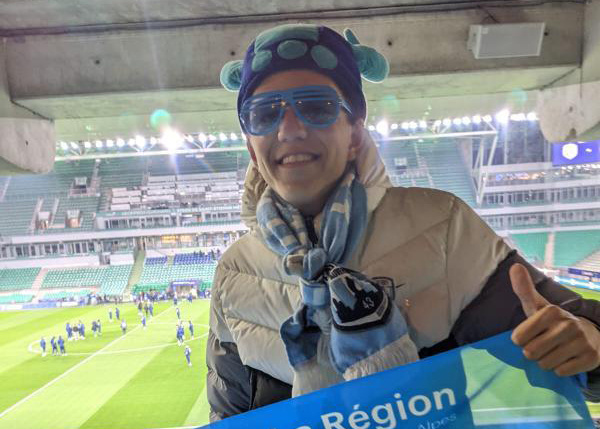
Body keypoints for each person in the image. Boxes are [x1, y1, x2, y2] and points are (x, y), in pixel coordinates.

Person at [206, 23, 600, 422]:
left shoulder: (443, 227)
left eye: (317, 106)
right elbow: (230, 412)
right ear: (251, 149)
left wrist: (589, 342)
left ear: (355, 134)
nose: (289, 129)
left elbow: (572, 328)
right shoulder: (233, 272)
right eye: (264, 113)